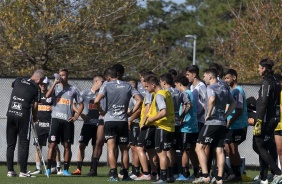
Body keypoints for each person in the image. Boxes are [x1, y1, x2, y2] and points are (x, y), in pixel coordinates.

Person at [94, 67, 142, 181]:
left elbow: (96, 101)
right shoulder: (128, 85)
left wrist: (100, 110)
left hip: (110, 120)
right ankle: (125, 175)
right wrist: (131, 112)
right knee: (124, 149)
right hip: (123, 121)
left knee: (111, 148)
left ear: (108, 77)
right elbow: (139, 100)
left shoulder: (106, 85)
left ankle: (114, 175)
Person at [193, 68, 236, 184]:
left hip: (212, 122)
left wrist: (208, 114)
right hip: (222, 123)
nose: (204, 78)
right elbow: (234, 103)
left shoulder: (210, 88)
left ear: (210, 77)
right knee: (219, 150)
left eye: (205, 76)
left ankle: (205, 175)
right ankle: (219, 179)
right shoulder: (224, 89)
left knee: (198, 147)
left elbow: (211, 99)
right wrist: (226, 115)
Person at [45, 68, 84, 176]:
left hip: (67, 121)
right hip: (56, 119)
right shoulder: (55, 87)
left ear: (67, 76)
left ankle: (66, 169)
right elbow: (47, 96)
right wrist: (54, 83)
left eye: (63, 75)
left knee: (67, 145)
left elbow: (81, 104)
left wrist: (76, 116)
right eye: (60, 75)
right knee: (52, 144)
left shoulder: (73, 89)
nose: (61, 77)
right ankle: (48, 168)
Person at [6, 69, 45, 177]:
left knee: (11, 143)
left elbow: (12, 86)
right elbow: (36, 106)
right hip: (23, 116)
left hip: (11, 113)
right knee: (24, 144)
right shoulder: (36, 88)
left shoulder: (18, 79)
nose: (41, 83)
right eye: (41, 81)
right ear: (39, 79)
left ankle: (10, 171)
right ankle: (23, 172)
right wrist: (35, 116)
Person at [252, 59, 282, 184]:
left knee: (257, 145)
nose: (258, 69)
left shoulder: (267, 82)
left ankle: (278, 172)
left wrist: (258, 120)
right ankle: (264, 178)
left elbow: (264, 102)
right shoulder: (275, 81)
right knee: (266, 146)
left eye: (259, 67)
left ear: (264, 68)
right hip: (274, 118)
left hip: (265, 119)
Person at [71, 75, 105, 176]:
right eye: (102, 81)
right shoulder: (85, 93)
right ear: (96, 81)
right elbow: (73, 104)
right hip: (87, 124)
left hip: (99, 125)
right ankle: (78, 168)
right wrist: (80, 114)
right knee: (82, 145)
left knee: (97, 147)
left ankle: (92, 169)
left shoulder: (103, 94)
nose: (103, 83)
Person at [144, 75, 175, 183]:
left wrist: (152, 119)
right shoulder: (167, 92)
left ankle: (162, 178)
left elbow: (163, 111)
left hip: (162, 127)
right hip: (169, 127)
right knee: (165, 153)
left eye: (147, 86)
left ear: (153, 85)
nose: (146, 89)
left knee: (161, 153)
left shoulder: (159, 95)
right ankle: (169, 176)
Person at [30, 77, 63, 175]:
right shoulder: (36, 95)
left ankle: (58, 167)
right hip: (39, 125)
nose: (43, 86)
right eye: (41, 84)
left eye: (45, 84)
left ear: (47, 84)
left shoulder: (51, 95)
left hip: (50, 124)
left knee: (54, 145)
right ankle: (38, 168)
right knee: (38, 146)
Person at [224, 69, 249, 182]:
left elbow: (238, 110)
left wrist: (230, 121)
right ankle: (233, 173)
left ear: (234, 78)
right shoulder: (232, 91)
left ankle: (238, 174)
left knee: (233, 149)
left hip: (238, 126)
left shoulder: (238, 91)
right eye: (225, 78)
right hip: (232, 126)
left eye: (228, 78)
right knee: (228, 148)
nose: (226, 80)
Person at [174, 74, 199, 181]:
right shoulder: (191, 93)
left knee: (184, 150)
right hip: (193, 127)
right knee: (192, 150)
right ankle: (196, 172)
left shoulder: (185, 93)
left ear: (179, 84)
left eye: (175, 86)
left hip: (186, 127)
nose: (175, 88)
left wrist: (181, 117)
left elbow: (188, 105)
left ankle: (185, 174)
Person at [134, 71, 158, 181]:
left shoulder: (149, 92)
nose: (142, 83)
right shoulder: (155, 91)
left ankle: (146, 173)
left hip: (148, 124)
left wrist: (143, 122)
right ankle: (154, 173)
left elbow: (148, 107)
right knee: (151, 150)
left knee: (139, 148)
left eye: (142, 80)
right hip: (153, 124)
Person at [159, 73, 183, 181]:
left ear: (163, 82)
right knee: (177, 149)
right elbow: (188, 104)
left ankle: (170, 173)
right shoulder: (178, 92)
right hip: (177, 122)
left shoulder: (165, 93)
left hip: (168, 124)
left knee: (168, 149)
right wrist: (181, 116)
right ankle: (177, 172)